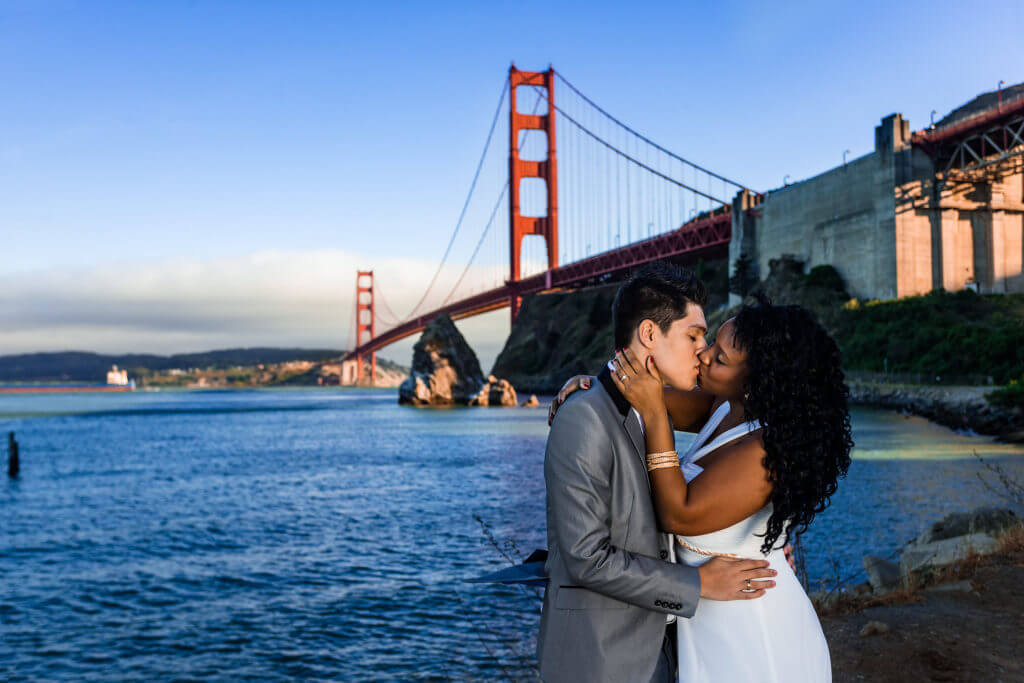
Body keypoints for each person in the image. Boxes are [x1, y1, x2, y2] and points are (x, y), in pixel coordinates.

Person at [552, 295, 853, 682]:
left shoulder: (765, 452)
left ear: (758, 382)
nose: (705, 357)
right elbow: (639, 392)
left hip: (753, 631)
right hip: (712, 619)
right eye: (712, 344)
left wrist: (657, 417)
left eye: (721, 359)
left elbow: (678, 513)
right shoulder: (724, 405)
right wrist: (596, 386)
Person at [538, 262, 781, 683]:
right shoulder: (584, 418)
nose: (702, 351)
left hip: (673, 646)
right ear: (650, 334)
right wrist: (697, 584)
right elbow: (586, 559)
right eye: (694, 335)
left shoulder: (656, 408)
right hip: (604, 657)